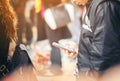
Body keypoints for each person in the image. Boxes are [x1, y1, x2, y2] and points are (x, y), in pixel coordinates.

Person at [64, 0, 120, 80]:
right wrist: (79, 49)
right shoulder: (92, 5)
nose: (72, 1)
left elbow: (105, 54)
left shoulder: (104, 7)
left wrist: (91, 78)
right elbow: (94, 40)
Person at [42, 0, 72, 74]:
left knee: (54, 43)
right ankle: (56, 65)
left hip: (52, 14)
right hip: (56, 13)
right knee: (55, 42)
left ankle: (56, 67)